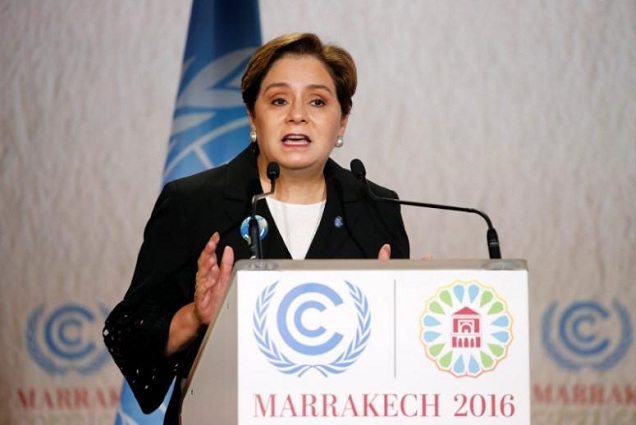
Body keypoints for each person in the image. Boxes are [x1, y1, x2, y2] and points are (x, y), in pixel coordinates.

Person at [103, 32, 410, 424]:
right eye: (279, 100)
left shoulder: (377, 208)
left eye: (317, 101)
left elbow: (394, 362)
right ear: (253, 116)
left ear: (342, 121)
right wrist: (195, 316)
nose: (297, 115)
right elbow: (128, 335)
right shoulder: (194, 202)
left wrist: (401, 312)